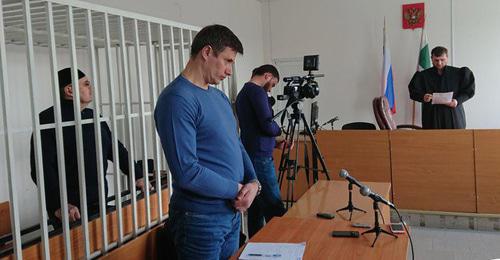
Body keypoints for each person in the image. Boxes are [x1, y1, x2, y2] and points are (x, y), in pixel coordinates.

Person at [154, 24, 260, 259]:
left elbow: (236, 144)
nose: (230, 70)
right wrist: (237, 189)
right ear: (207, 52)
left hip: (230, 215)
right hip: (200, 219)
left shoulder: (219, 97)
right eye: (227, 61)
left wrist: (253, 181)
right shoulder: (177, 99)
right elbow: (187, 171)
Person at [30, 68, 147, 226]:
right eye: (86, 84)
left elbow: (115, 148)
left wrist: (137, 175)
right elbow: (42, 168)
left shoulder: (92, 116)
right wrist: (59, 205)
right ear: (69, 90)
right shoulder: (48, 120)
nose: (91, 88)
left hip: (99, 202)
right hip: (72, 212)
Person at [235, 64, 287, 238]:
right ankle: (283, 242)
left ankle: (256, 245)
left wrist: (275, 144)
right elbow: (267, 125)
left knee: (256, 206)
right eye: (272, 83)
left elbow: (253, 130)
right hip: (261, 158)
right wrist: (279, 130)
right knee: (275, 207)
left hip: (251, 154)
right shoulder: (257, 91)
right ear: (267, 75)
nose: (271, 88)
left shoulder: (243, 92)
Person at [408, 46, 475, 129]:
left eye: (442, 60)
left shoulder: (459, 73)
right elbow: (413, 91)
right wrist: (423, 97)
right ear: (431, 58)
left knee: (456, 140)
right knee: (433, 140)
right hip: (431, 117)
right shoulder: (423, 75)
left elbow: (468, 91)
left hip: (453, 115)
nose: (439, 63)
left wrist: (457, 101)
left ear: (447, 58)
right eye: (436, 60)